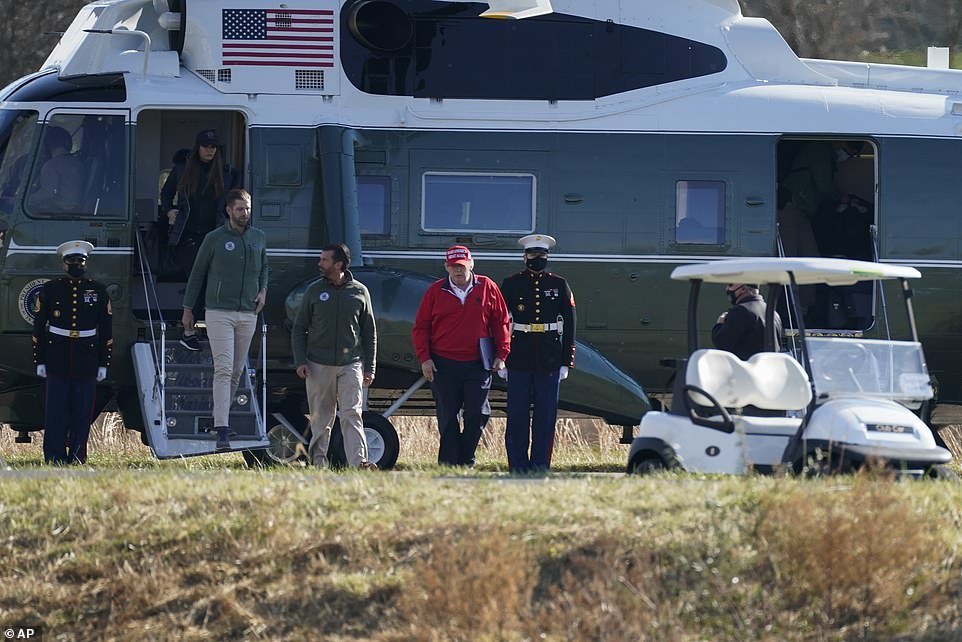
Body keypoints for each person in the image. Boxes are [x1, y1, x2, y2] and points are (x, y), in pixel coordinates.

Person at [181, 189, 268, 451]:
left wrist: (263, 289)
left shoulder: (258, 237)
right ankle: (221, 428)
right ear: (229, 211)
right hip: (218, 311)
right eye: (241, 209)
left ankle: (220, 416)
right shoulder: (214, 238)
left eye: (248, 208)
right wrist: (188, 309)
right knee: (224, 367)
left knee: (237, 371)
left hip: (247, 313)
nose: (245, 213)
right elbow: (197, 274)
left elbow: (265, 267)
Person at [412, 245, 510, 466]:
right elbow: (421, 327)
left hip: (478, 363)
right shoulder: (435, 291)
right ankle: (449, 463)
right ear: (447, 267)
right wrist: (424, 358)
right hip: (443, 364)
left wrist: (502, 353)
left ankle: (466, 459)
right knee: (448, 417)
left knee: (478, 414)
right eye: (454, 267)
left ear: (471, 264)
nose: (458, 271)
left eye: (462, 266)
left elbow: (501, 321)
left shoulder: (487, 287)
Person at [292, 243, 378, 469]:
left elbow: (369, 332)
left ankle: (359, 464)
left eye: (324, 260)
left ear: (338, 264)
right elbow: (299, 327)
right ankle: (319, 463)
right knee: (322, 418)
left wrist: (370, 367)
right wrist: (300, 360)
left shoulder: (360, 291)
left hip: (351, 364)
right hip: (318, 364)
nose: (319, 264)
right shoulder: (313, 290)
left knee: (352, 413)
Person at [499, 234, 576, 473]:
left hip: (549, 358)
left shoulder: (558, 284)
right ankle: (518, 466)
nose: (537, 258)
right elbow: (499, 322)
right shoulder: (511, 284)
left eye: (542, 254)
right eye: (532, 254)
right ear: (524, 257)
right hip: (518, 357)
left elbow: (571, 323)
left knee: (545, 417)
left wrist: (566, 360)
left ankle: (541, 465)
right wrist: (501, 357)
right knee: (517, 416)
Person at [160, 129, 241, 350]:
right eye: (205, 146)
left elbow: (236, 200)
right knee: (198, 277)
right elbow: (166, 193)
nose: (209, 150)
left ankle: (198, 328)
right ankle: (188, 330)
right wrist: (169, 211)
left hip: (214, 236)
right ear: (198, 147)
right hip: (186, 236)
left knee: (210, 282)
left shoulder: (227, 173)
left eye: (213, 146)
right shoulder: (182, 169)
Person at [33, 240, 112, 464]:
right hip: (57, 357)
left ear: (86, 264)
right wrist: (39, 359)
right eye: (72, 261)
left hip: (86, 359)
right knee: (55, 413)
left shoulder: (98, 290)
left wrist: (103, 363)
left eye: (80, 261)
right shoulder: (50, 290)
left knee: (82, 413)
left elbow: (106, 329)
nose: (76, 265)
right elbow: (39, 326)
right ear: (64, 264)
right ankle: (54, 457)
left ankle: (78, 456)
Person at [711, 283, 783, 361]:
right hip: (769, 369)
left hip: (745, 370)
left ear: (743, 289)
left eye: (730, 285)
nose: (727, 289)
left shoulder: (740, 311)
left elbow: (722, 343)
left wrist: (719, 324)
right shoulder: (774, 314)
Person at [30, 126, 84, 213]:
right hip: (74, 211)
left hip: (59, 212)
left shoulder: (52, 165)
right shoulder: (77, 163)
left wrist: (24, 200)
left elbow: (47, 193)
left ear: (46, 145)